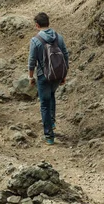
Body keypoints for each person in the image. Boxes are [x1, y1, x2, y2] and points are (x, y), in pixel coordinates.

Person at [28, 12, 69, 145]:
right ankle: (52, 123)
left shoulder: (35, 40)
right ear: (48, 23)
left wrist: (30, 77)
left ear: (37, 25)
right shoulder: (59, 37)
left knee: (44, 104)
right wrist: (63, 75)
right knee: (51, 95)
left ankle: (49, 136)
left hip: (43, 76)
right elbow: (65, 56)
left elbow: (32, 61)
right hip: (57, 75)